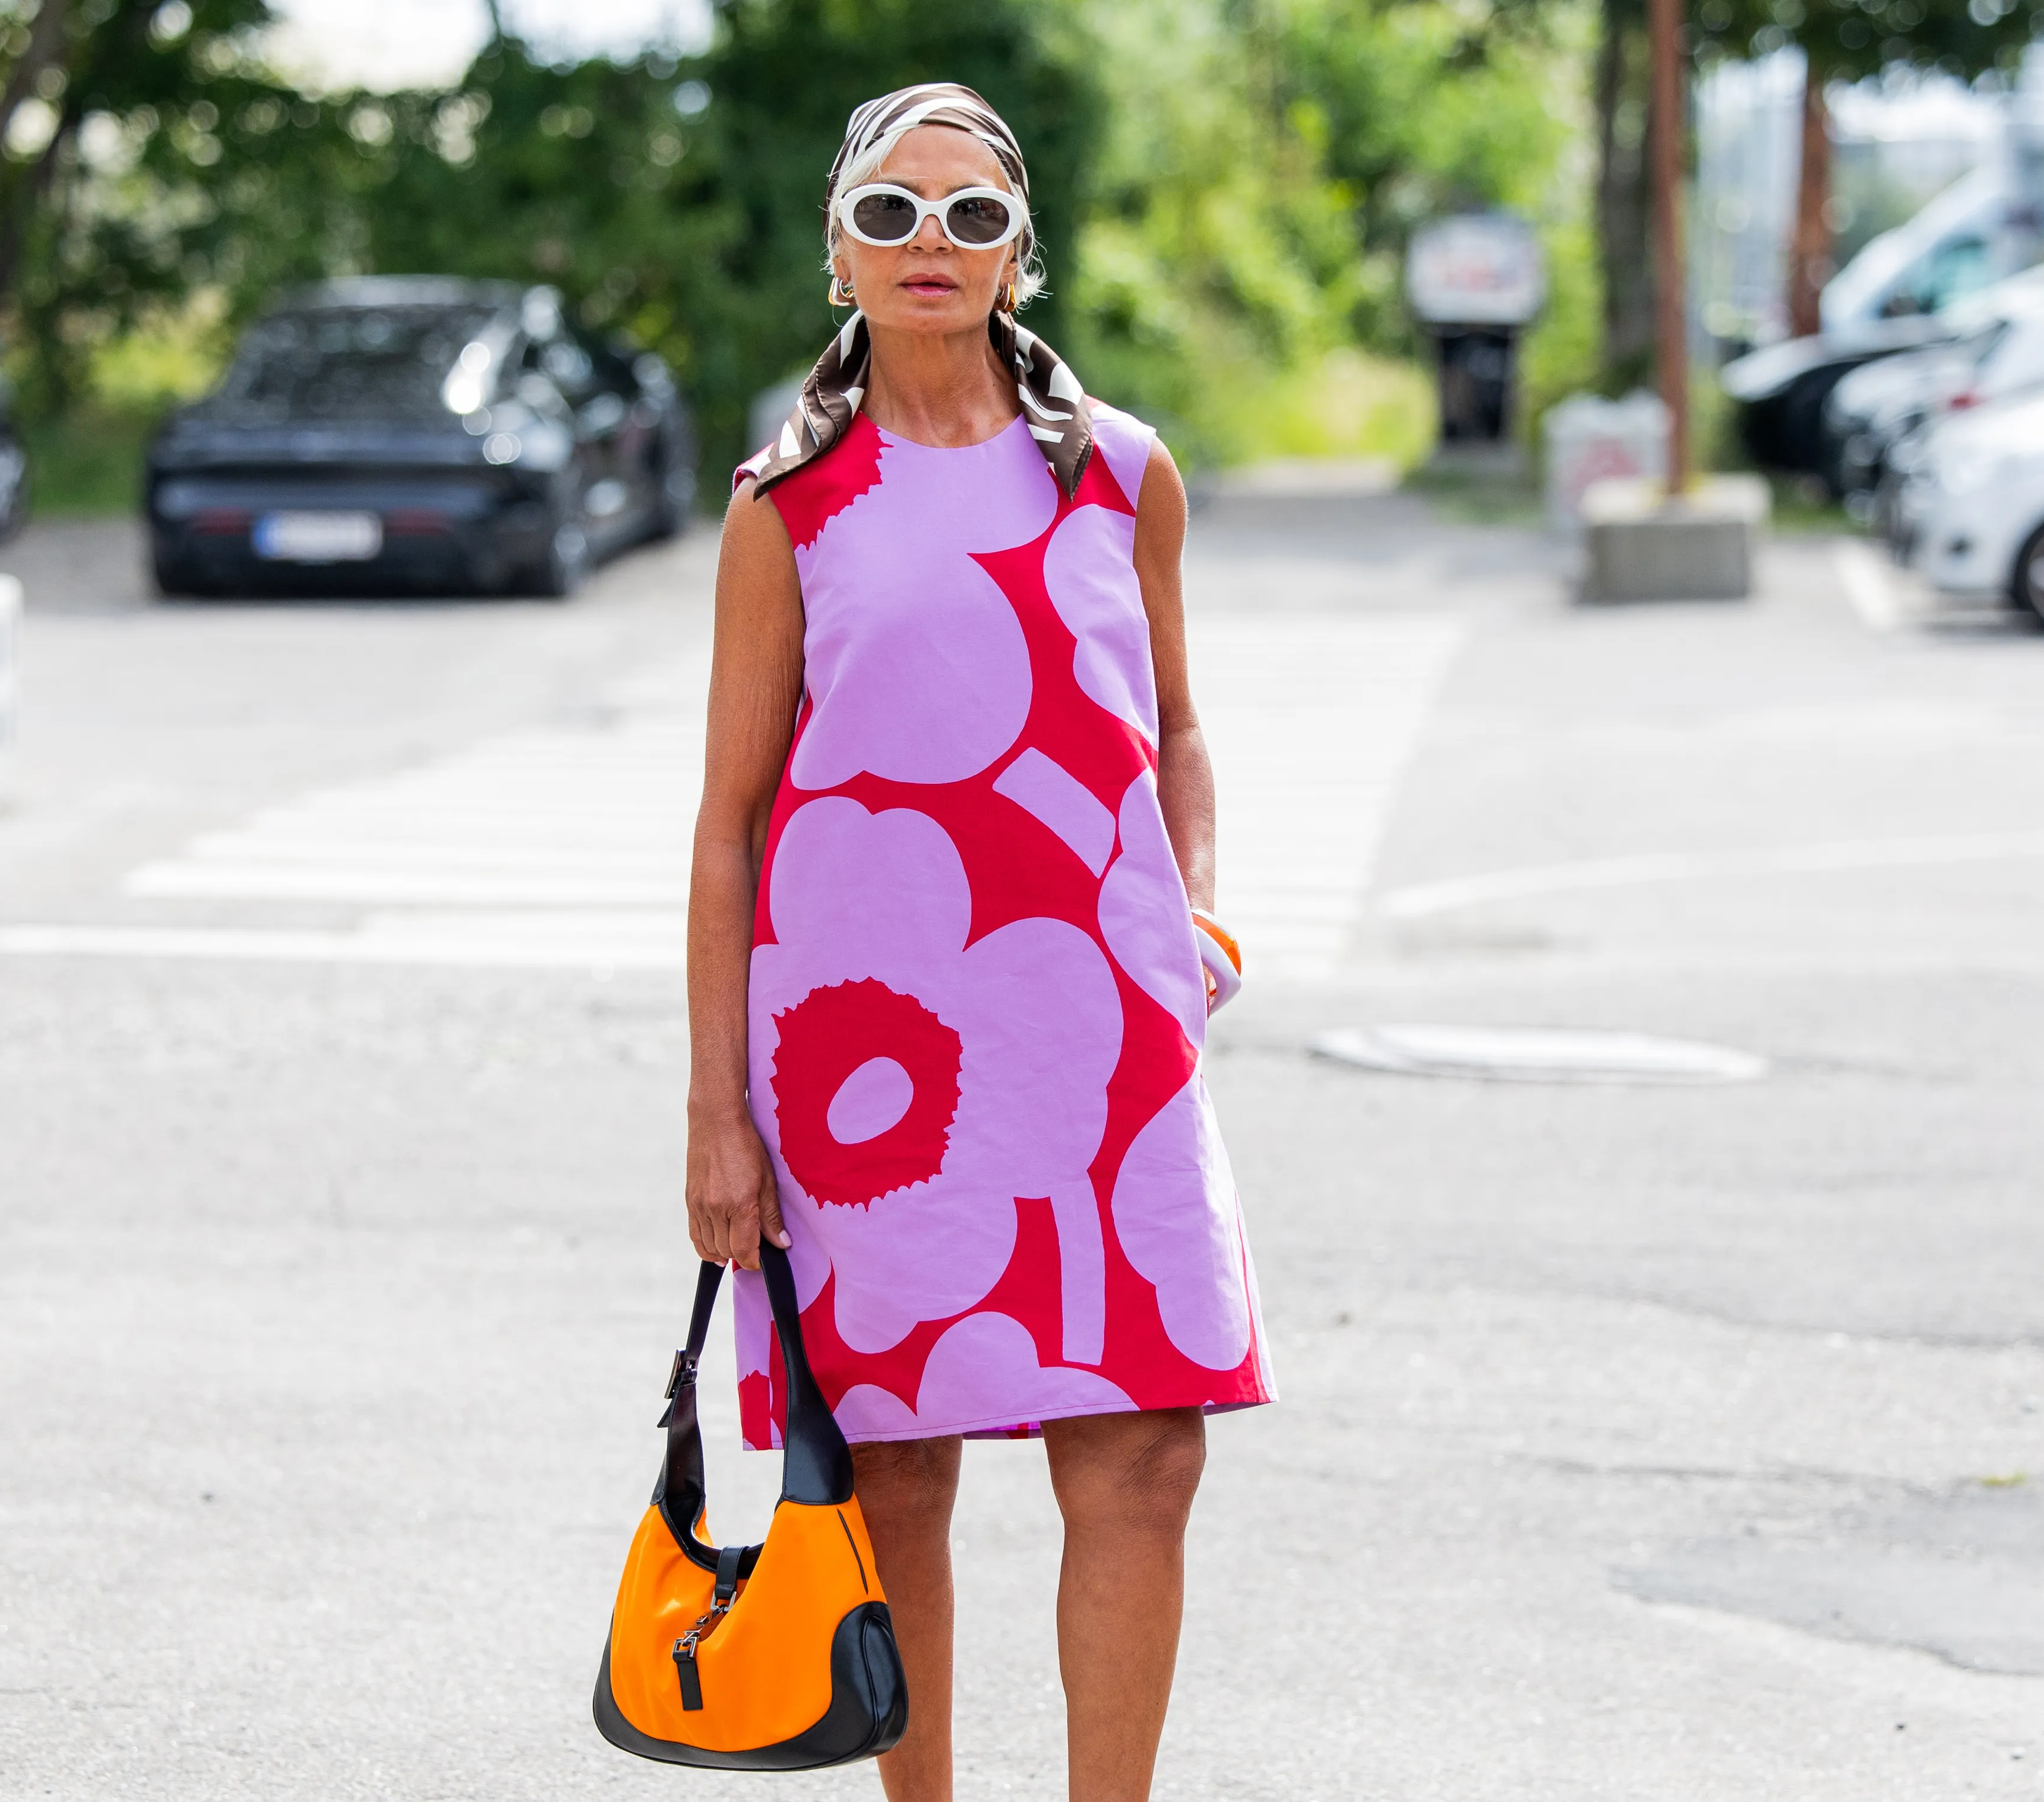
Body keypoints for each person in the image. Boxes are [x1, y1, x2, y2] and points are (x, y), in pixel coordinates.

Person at [681, 82, 1273, 1802]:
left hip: (1099, 1045)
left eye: (966, 214)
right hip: (866, 1059)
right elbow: (726, 827)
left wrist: (1202, 913)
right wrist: (721, 1115)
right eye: (888, 213)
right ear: (837, 254)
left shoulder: (1124, 477)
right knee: (897, 1478)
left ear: (1024, 250)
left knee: (1147, 1455)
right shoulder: (788, 508)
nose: (927, 244)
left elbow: (1171, 726)